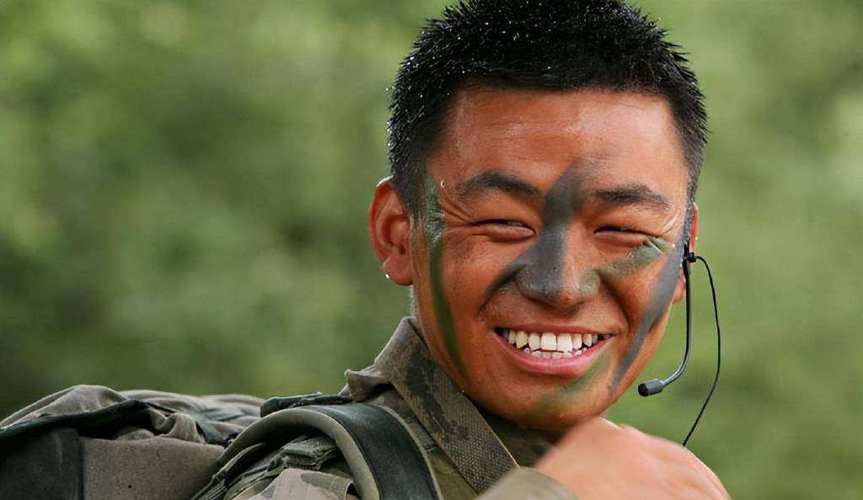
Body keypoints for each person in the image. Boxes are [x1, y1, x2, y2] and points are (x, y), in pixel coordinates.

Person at [0, 0, 729, 498]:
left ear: (682, 254)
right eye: (503, 223)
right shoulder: (309, 480)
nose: (561, 284)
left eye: (623, 231)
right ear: (397, 233)